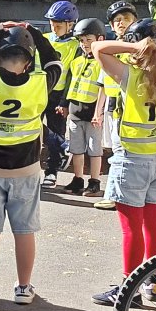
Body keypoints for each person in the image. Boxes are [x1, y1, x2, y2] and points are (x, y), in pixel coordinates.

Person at [90, 19, 156, 306]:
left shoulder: (132, 77)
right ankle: (153, 282)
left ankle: (128, 289)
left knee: (131, 228)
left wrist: (135, 46)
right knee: (153, 224)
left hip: (133, 159)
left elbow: (98, 48)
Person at [0, 24, 62, 305]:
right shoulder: (40, 82)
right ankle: (24, 288)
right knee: (24, 230)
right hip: (25, 168)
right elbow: (54, 61)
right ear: (28, 61)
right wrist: (36, 34)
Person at [92, 1, 138, 211]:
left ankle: (115, 195)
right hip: (114, 107)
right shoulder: (111, 48)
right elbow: (103, 84)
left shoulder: (138, 47)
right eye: (117, 20)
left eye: (126, 18)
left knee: (123, 152)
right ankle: (116, 194)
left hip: (132, 106)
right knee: (117, 151)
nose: (121, 23)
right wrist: (99, 111)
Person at [59, 18, 106, 197]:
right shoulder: (77, 61)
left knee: (94, 150)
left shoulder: (102, 62)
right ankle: (78, 179)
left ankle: (94, 181)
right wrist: (64, 104)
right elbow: (69, 84)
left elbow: (103, 88)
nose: (85, 44)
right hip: (75, 111)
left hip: (92, 113)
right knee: (76, 148)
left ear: (100, 39)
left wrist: (98, 112)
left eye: (89, 40)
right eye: (81, 40)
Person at [41, 1, 79, 188]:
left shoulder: (75, 45)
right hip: (39, 91)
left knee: (56, 130)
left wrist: (65, 102)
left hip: (58, 95)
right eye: (52, 25)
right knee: (32, 127)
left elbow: (72, 75)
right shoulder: (44, 39)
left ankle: (51, 171)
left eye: (58, 26)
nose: (54, 29)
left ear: (70, 25)